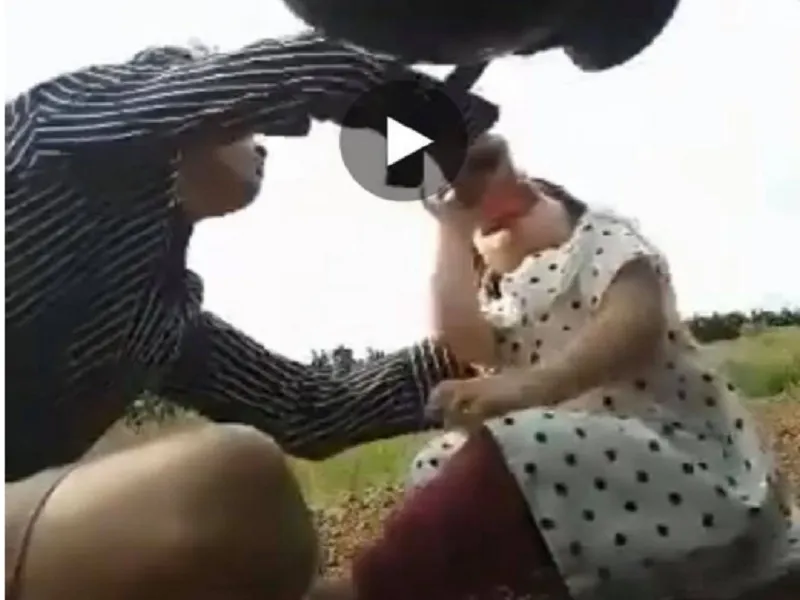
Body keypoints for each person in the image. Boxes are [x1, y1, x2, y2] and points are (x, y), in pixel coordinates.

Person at [5, 35, 496, 600]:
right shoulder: (51, 133)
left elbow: (312, 408)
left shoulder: (162, 318)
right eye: (249, 131)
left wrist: (499, 338)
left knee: (278, 549)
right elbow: (250, 83)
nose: (263, 146)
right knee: (231, 481)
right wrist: (421, 107)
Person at [307, 135, 797, 600]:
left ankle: (372, 588)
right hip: (601, 505)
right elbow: (458, 332)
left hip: (685, 466)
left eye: (532, 195)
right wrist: (452, 227)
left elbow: (634, 323)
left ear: (571, 212)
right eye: (485, 231)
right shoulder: (510, 306)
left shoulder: (601, 243)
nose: (507, 206)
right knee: (438, 463)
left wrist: (531, 386)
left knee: (522, 442)